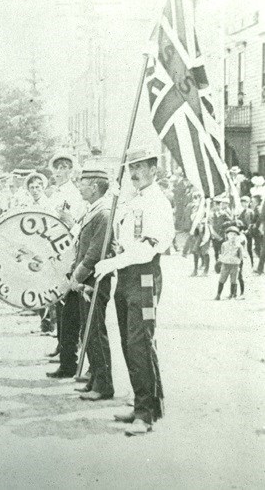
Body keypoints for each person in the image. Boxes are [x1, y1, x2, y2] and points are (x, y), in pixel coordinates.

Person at [94, 147, 174, 436]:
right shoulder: (134, 199)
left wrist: (112, 261)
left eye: (140, 166)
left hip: (144, 277)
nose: (134, 173)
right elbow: (122, 234)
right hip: (126, 276)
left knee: (140, 342)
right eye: (131, 168)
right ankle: (148, 403)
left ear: (155, 169)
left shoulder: (158, 202)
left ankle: (145, 413)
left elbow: (149, 246)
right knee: (131, 343)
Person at [47, 160, 115, 399]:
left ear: (95, 186)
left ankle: (103, 385)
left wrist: (75, 278)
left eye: (84, 183)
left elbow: (94, 253)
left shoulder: (104, 213)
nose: (80, 186)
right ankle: (95, 380)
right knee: (88, 331)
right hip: (85, 281)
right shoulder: (93, 209)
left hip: (93, 281)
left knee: (94, 332)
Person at [215, 226, 243, 300]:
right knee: (222, 279)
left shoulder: (239, 246)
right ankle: (218, 294)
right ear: (227, 235)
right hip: (225, 264)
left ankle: (232, 294)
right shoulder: (224, 244)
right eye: (230, 234)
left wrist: (238, 263)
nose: (232, 236)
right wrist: (220, 261)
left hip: (235, 265)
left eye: (235, 235)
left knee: (234, 280)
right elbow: (222, 253)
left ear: (237, 236)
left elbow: (240, 256)